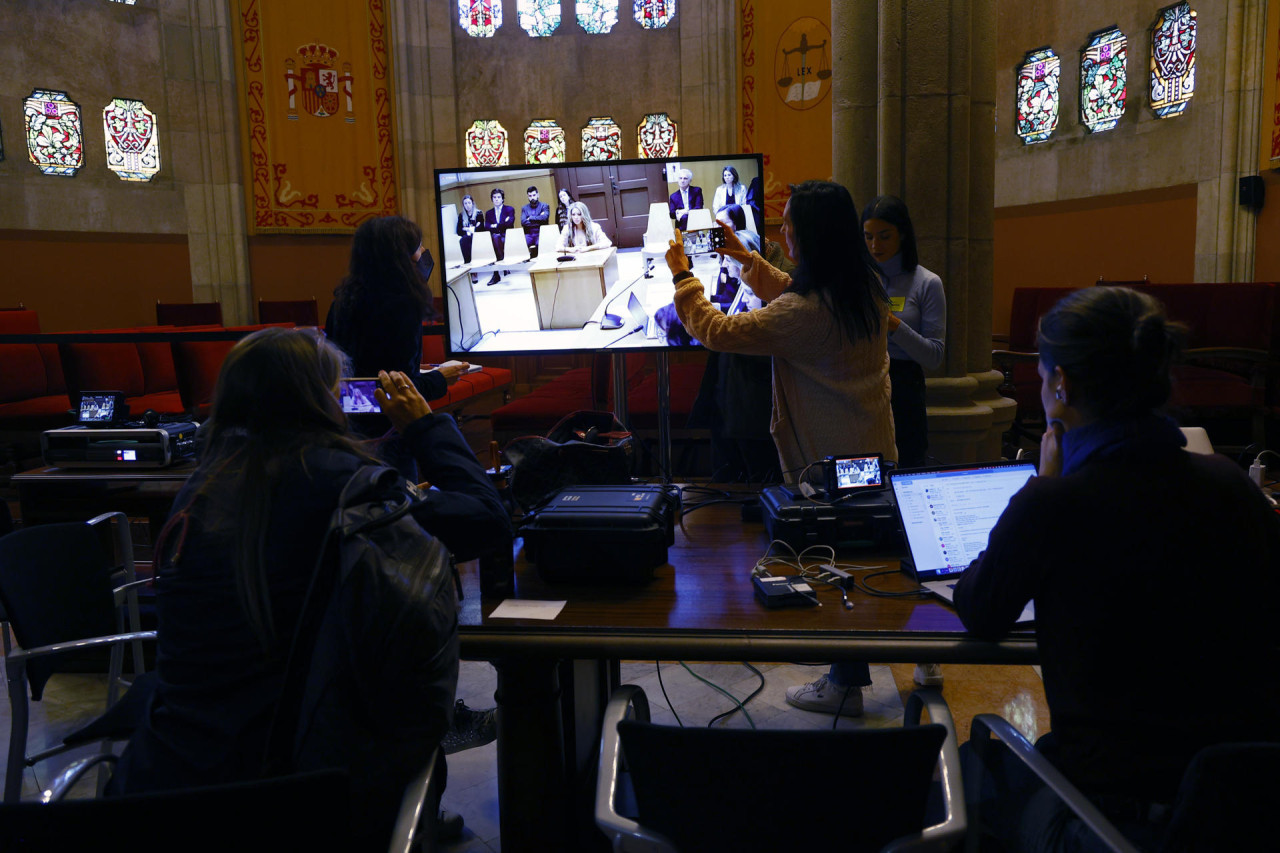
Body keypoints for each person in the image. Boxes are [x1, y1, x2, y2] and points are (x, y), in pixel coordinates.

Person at [109, 327, 511, 848]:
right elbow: (486, 521)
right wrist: (426, 428)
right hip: (304, 792)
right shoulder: (349, 489)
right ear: (320, 399)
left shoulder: (202, 485)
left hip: (169, 780)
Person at [955, 286, 1280, 851]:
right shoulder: (1230, 483)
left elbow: (980, 610)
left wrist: (1044, 484)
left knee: (962, 763)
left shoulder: (1054, 504)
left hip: (1104, 820)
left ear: (1062, 385)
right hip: (1237, 808)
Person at [324, 215, 469, 480]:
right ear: (401, 257)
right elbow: (396, 391)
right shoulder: (402, 306)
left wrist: (413, 368)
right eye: (418, 246)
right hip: (389, 432)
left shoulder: (343, 301)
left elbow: (360, 375)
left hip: (351, 424)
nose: (424, 253)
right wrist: (441, 377)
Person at [862, 195, 945, 470]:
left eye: (884, 236)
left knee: (907, 467)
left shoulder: (928, 283)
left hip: (905, 385)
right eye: (868, 236)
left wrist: (892, 324)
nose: (875, 245)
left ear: (903, 235)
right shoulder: (859, 280)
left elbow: (934, 356)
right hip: (863, 383)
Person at [483, 188, 516, 284]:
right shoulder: (488, 213)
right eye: (494, 197)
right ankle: (503, 265)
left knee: (496, 239)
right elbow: (487, 227)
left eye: (498, 197)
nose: (496, 199)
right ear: (492, 199)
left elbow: (509, 223)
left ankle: (496, 274)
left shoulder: (509, 209)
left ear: (502, 199)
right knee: (495, 239)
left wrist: (495, 226)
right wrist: (501, 224)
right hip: (495, 238)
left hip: (507, 236)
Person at [520, 185, 550, 258]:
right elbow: (523, 222)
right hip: (529, 234)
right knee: (521, 245)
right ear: (528, 197)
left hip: (541, 233)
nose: (532, 197)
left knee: (540, 244)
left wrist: (530, 218)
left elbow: (544, 218)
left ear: (538, 195)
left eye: (534, 195)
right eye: (530, 196)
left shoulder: (544, 206)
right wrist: (538, 219)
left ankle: (537, 259)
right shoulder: (524, 208)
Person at [455, 193, 484, 264]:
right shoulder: (461, 216)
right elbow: (459, 231)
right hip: (467, 238)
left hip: (478, 237)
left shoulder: (479, 213)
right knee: (465, 239)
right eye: (465, 203)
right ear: (463, 205)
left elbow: (481, 228)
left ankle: (471, 262)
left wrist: (466, 228)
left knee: (467, 239)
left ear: (472, 203)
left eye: (469, 203)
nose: (467, 205)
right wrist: (472, 229)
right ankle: (468, 262)